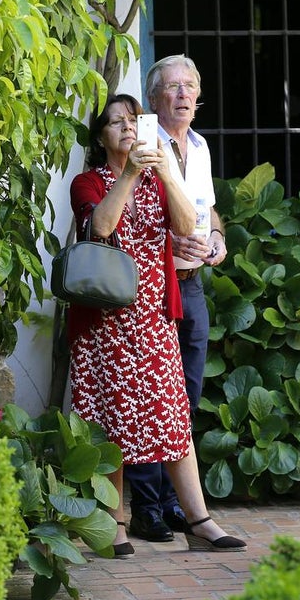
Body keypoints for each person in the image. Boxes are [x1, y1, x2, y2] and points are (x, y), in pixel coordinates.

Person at [67, 93, 244, 557]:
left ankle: (199, 521)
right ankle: (114, 523)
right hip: (105, 323)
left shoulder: (157, 179)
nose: (127, 127)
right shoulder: (88, 182)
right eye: (116, 122)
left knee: (173, 417)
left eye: (134, 119)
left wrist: (165, 172)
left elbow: (188, 225)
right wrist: (128, 174)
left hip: (154, 318)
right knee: (111, 421)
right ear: (100, 137)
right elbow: (101, 227)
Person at [123, 55, 229, 543]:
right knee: (150, 396)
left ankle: (173, 503)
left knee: (186, 394)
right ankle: (146, 508)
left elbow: (208, 211)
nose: (183, 94)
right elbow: (133, 219)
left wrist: (218, 239)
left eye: (190, 86)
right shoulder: (142, 146)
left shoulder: (200, 146)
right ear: (153, 98)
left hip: (192, 284)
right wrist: (170, 241)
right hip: (153, 286)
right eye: (172, 87)